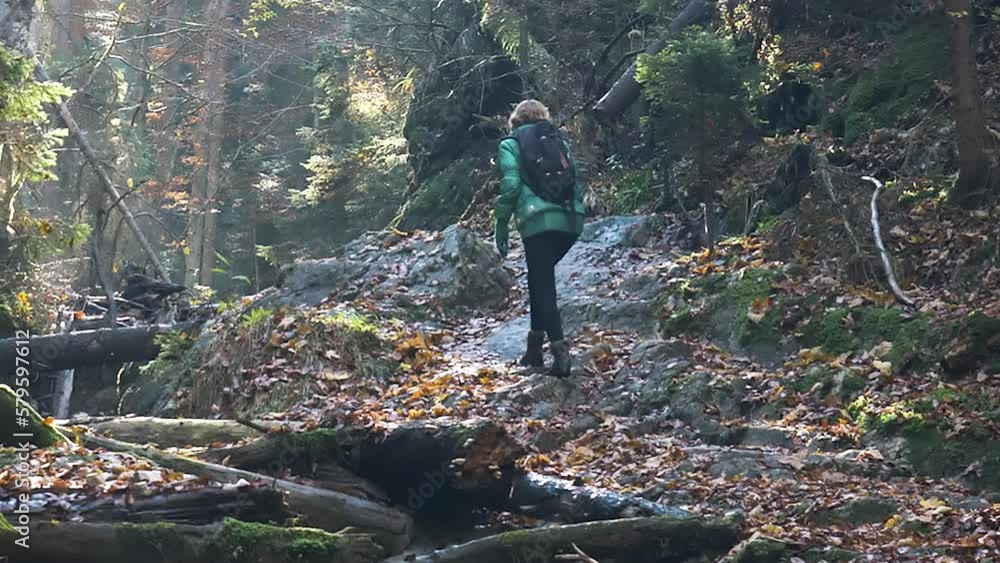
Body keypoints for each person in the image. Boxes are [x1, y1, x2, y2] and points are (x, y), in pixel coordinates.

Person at [494, 100, 585, 377]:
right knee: (538, 277)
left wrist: (501, 223)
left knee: (543, 285)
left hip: (538, 222)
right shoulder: (558, 140)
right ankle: (533, 350)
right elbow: (574, 176)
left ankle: (560, 354)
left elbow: (511, 185)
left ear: (515, 120)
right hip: (571, 222)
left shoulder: (510, 144)